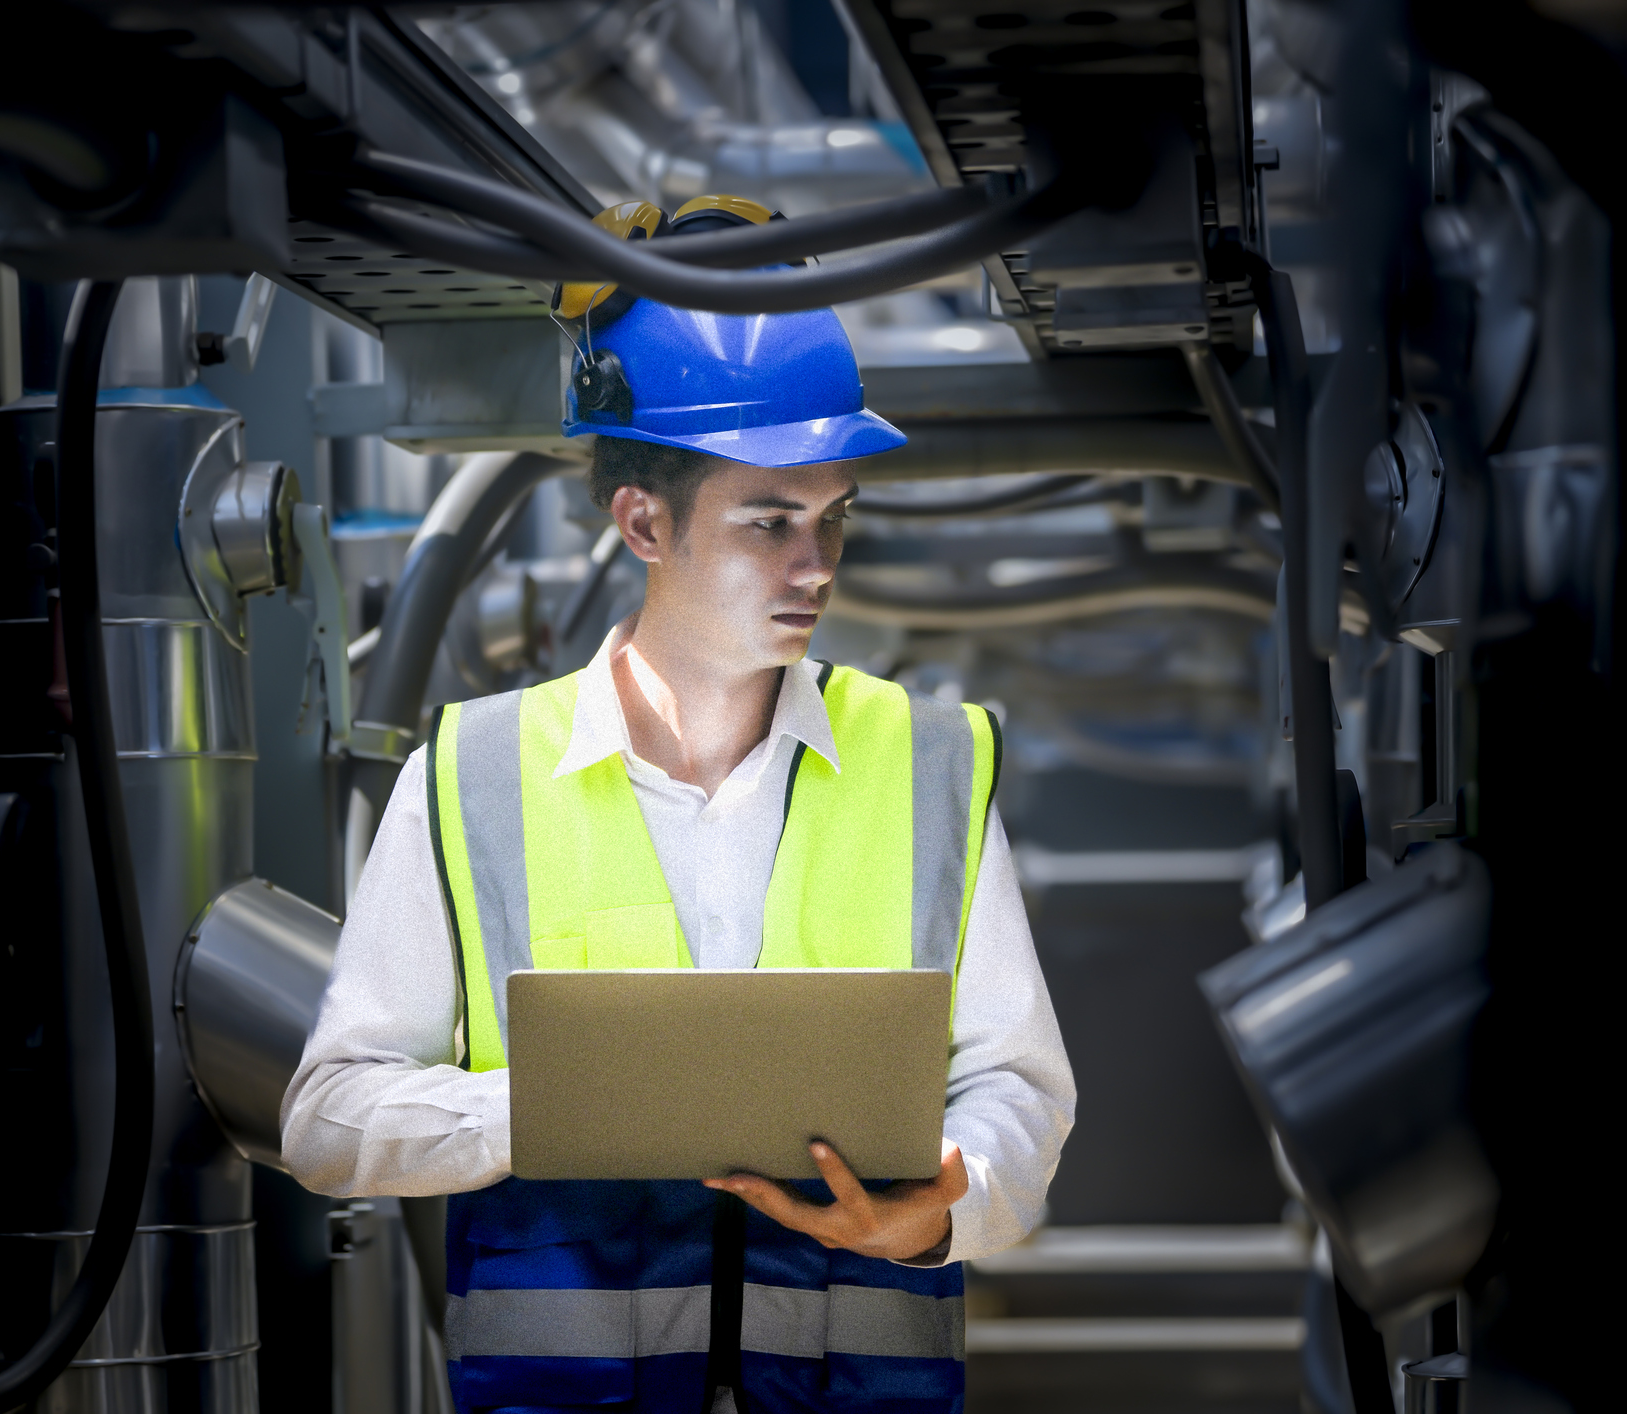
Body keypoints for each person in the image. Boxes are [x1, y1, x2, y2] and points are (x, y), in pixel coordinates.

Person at [283, 196, 1075, 1414]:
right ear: (644, 521)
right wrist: (560, 1107)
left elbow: (1024, 1090)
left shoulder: (929, 764)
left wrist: (951, 1194)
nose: (814, 565)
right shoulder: (473, 774)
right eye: (768, 522)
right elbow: (330, 1117)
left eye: (830, 520)